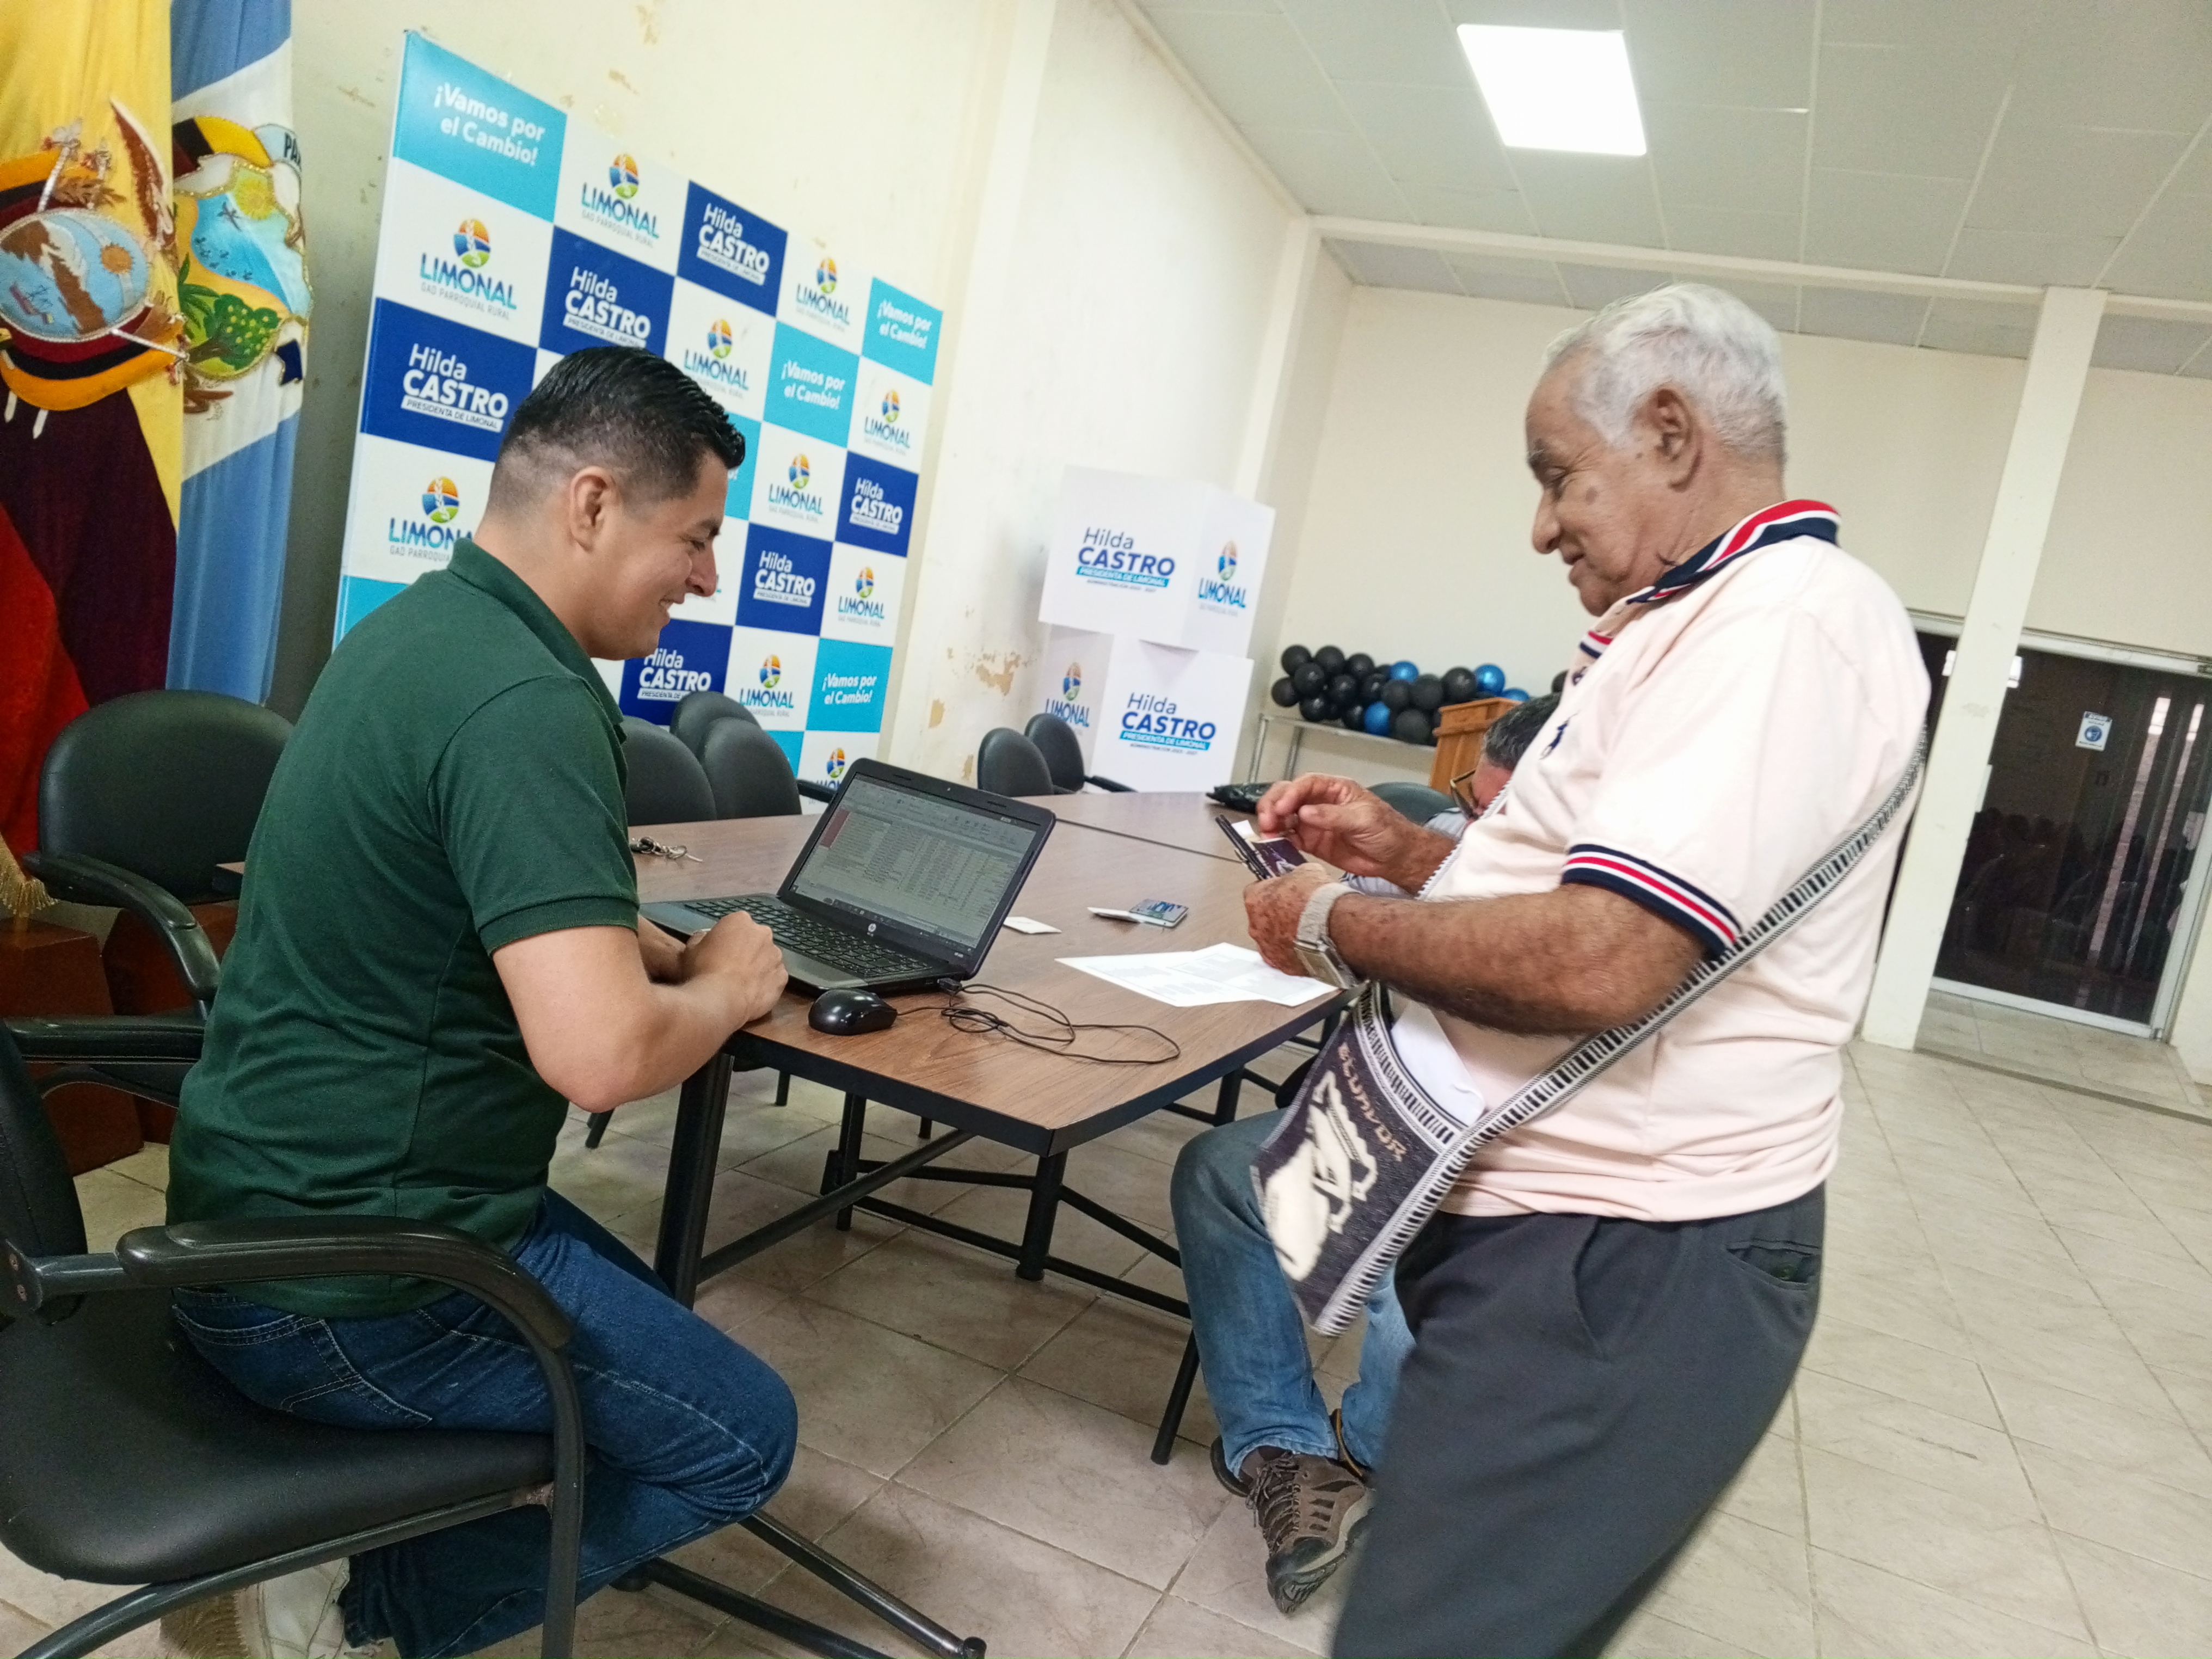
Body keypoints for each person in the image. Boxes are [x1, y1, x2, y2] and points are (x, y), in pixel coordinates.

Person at [1240, 285, 1926, 1659]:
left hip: (1625, 1260)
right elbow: (1605, 899)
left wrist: (1334, 923)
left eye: (1558, 476)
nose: (1542, 524)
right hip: (1566, 1237)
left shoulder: (1780, 625)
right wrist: (1411, 858)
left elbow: (1608, 959)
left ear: (1670, 433)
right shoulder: (1697, 616)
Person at [161, 348, 796, 1659]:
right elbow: (602, 1060)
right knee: (738, 1439)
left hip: (258, 1221)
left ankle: (379, 1546)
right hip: (348, 1285)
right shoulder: (527, 701)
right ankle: (354, 1616)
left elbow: (466, 892)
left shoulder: (427, 631)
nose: (705, 579)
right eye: (695, 538)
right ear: (593, 504)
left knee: (644, 1342)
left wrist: (648, 950)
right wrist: (728, 989)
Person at [1169, 691, 1559, 1617]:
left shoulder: (1593, 914)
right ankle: (1288, 1452)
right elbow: (1355, 926)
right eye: (1474, 808)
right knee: (1223, 1174)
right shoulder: (1463, 846)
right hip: (1402, 1111)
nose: (1477, 835)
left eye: (1504, 821)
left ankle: (1375, 1461)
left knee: (1424, 1251)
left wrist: (1348, 918)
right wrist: (1319, 880)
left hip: (1523, 1156)